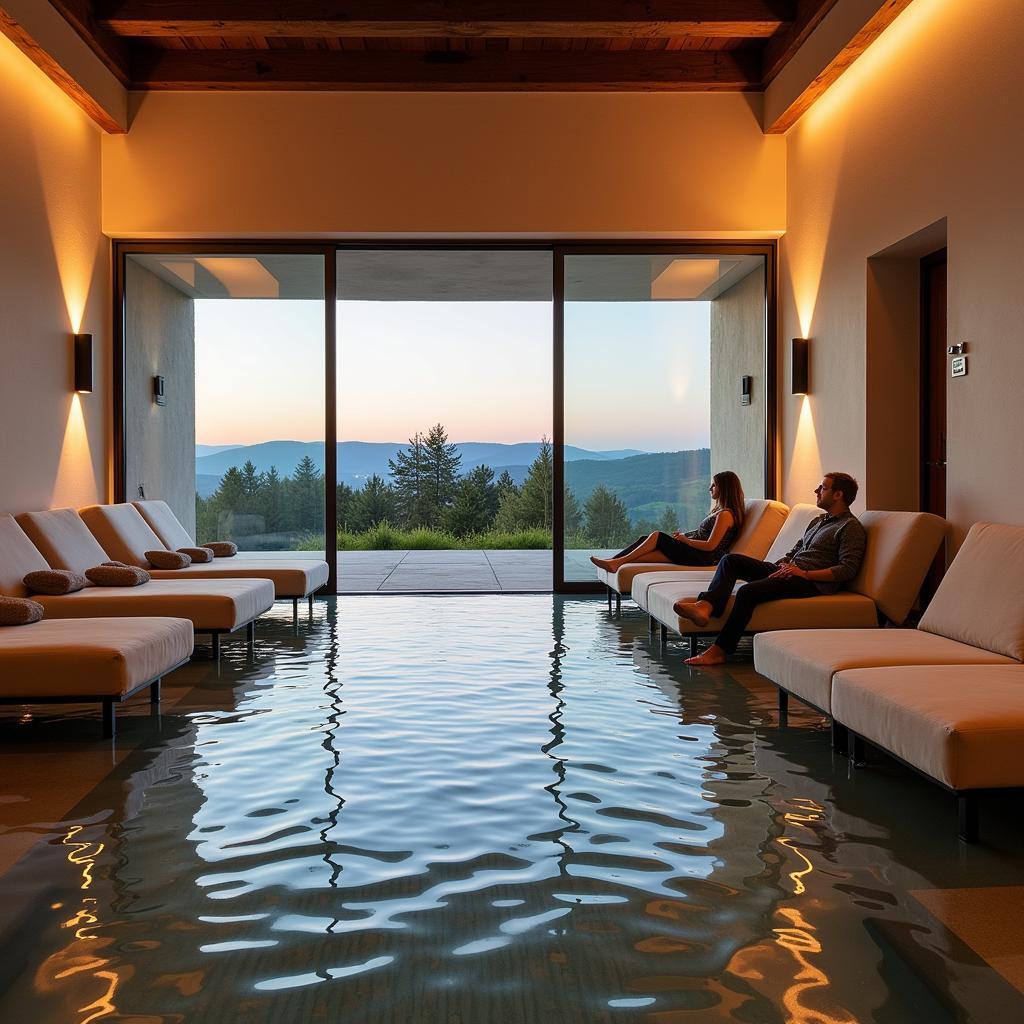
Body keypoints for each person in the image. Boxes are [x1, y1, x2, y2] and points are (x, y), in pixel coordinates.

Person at [676, 472, 867, 666]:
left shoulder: (850, 527)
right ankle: (705, 606)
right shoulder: (818, 521)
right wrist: (784, 563)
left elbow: (847, 569)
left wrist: (804, 573)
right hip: (789, 571)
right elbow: (796, 549)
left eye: (823, 488)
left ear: (838, 495)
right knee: (730, 561)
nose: (816, 491)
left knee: (747, 592)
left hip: (811, 582)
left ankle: (720, 650)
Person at [589, 471, 746, 573]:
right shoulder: (721, 512)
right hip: (698, 554)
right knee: (646, 541)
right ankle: (614, 561)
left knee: (657, 536)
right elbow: (703, 536)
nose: (710, 488)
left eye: (714, 485)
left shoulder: (725, 515)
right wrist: (686, 536)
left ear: (724, 488)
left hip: (704, 557)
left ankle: (615, 562)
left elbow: (711, 545)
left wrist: (686, 541)